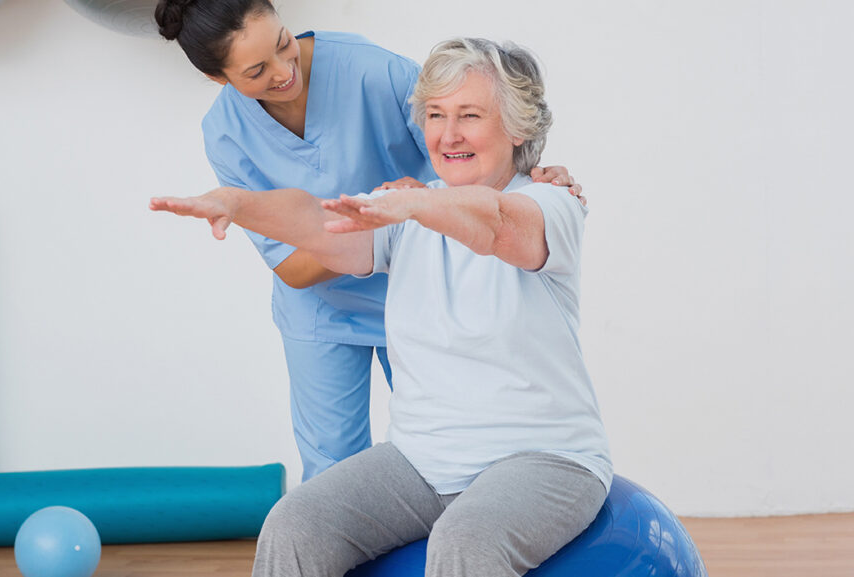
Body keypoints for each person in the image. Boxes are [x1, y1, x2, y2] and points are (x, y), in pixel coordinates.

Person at [151, 37, 611, 576]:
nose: (447, 133)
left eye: (470, 115)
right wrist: (238, 202)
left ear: (517, 128)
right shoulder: (408, 213)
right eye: (435, 115)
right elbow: (316, 224)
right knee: (295, 522)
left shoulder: (550, 204)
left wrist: (415, 202)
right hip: (422, 463)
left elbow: (498, 225)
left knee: (467, 542)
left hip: (544, 460)